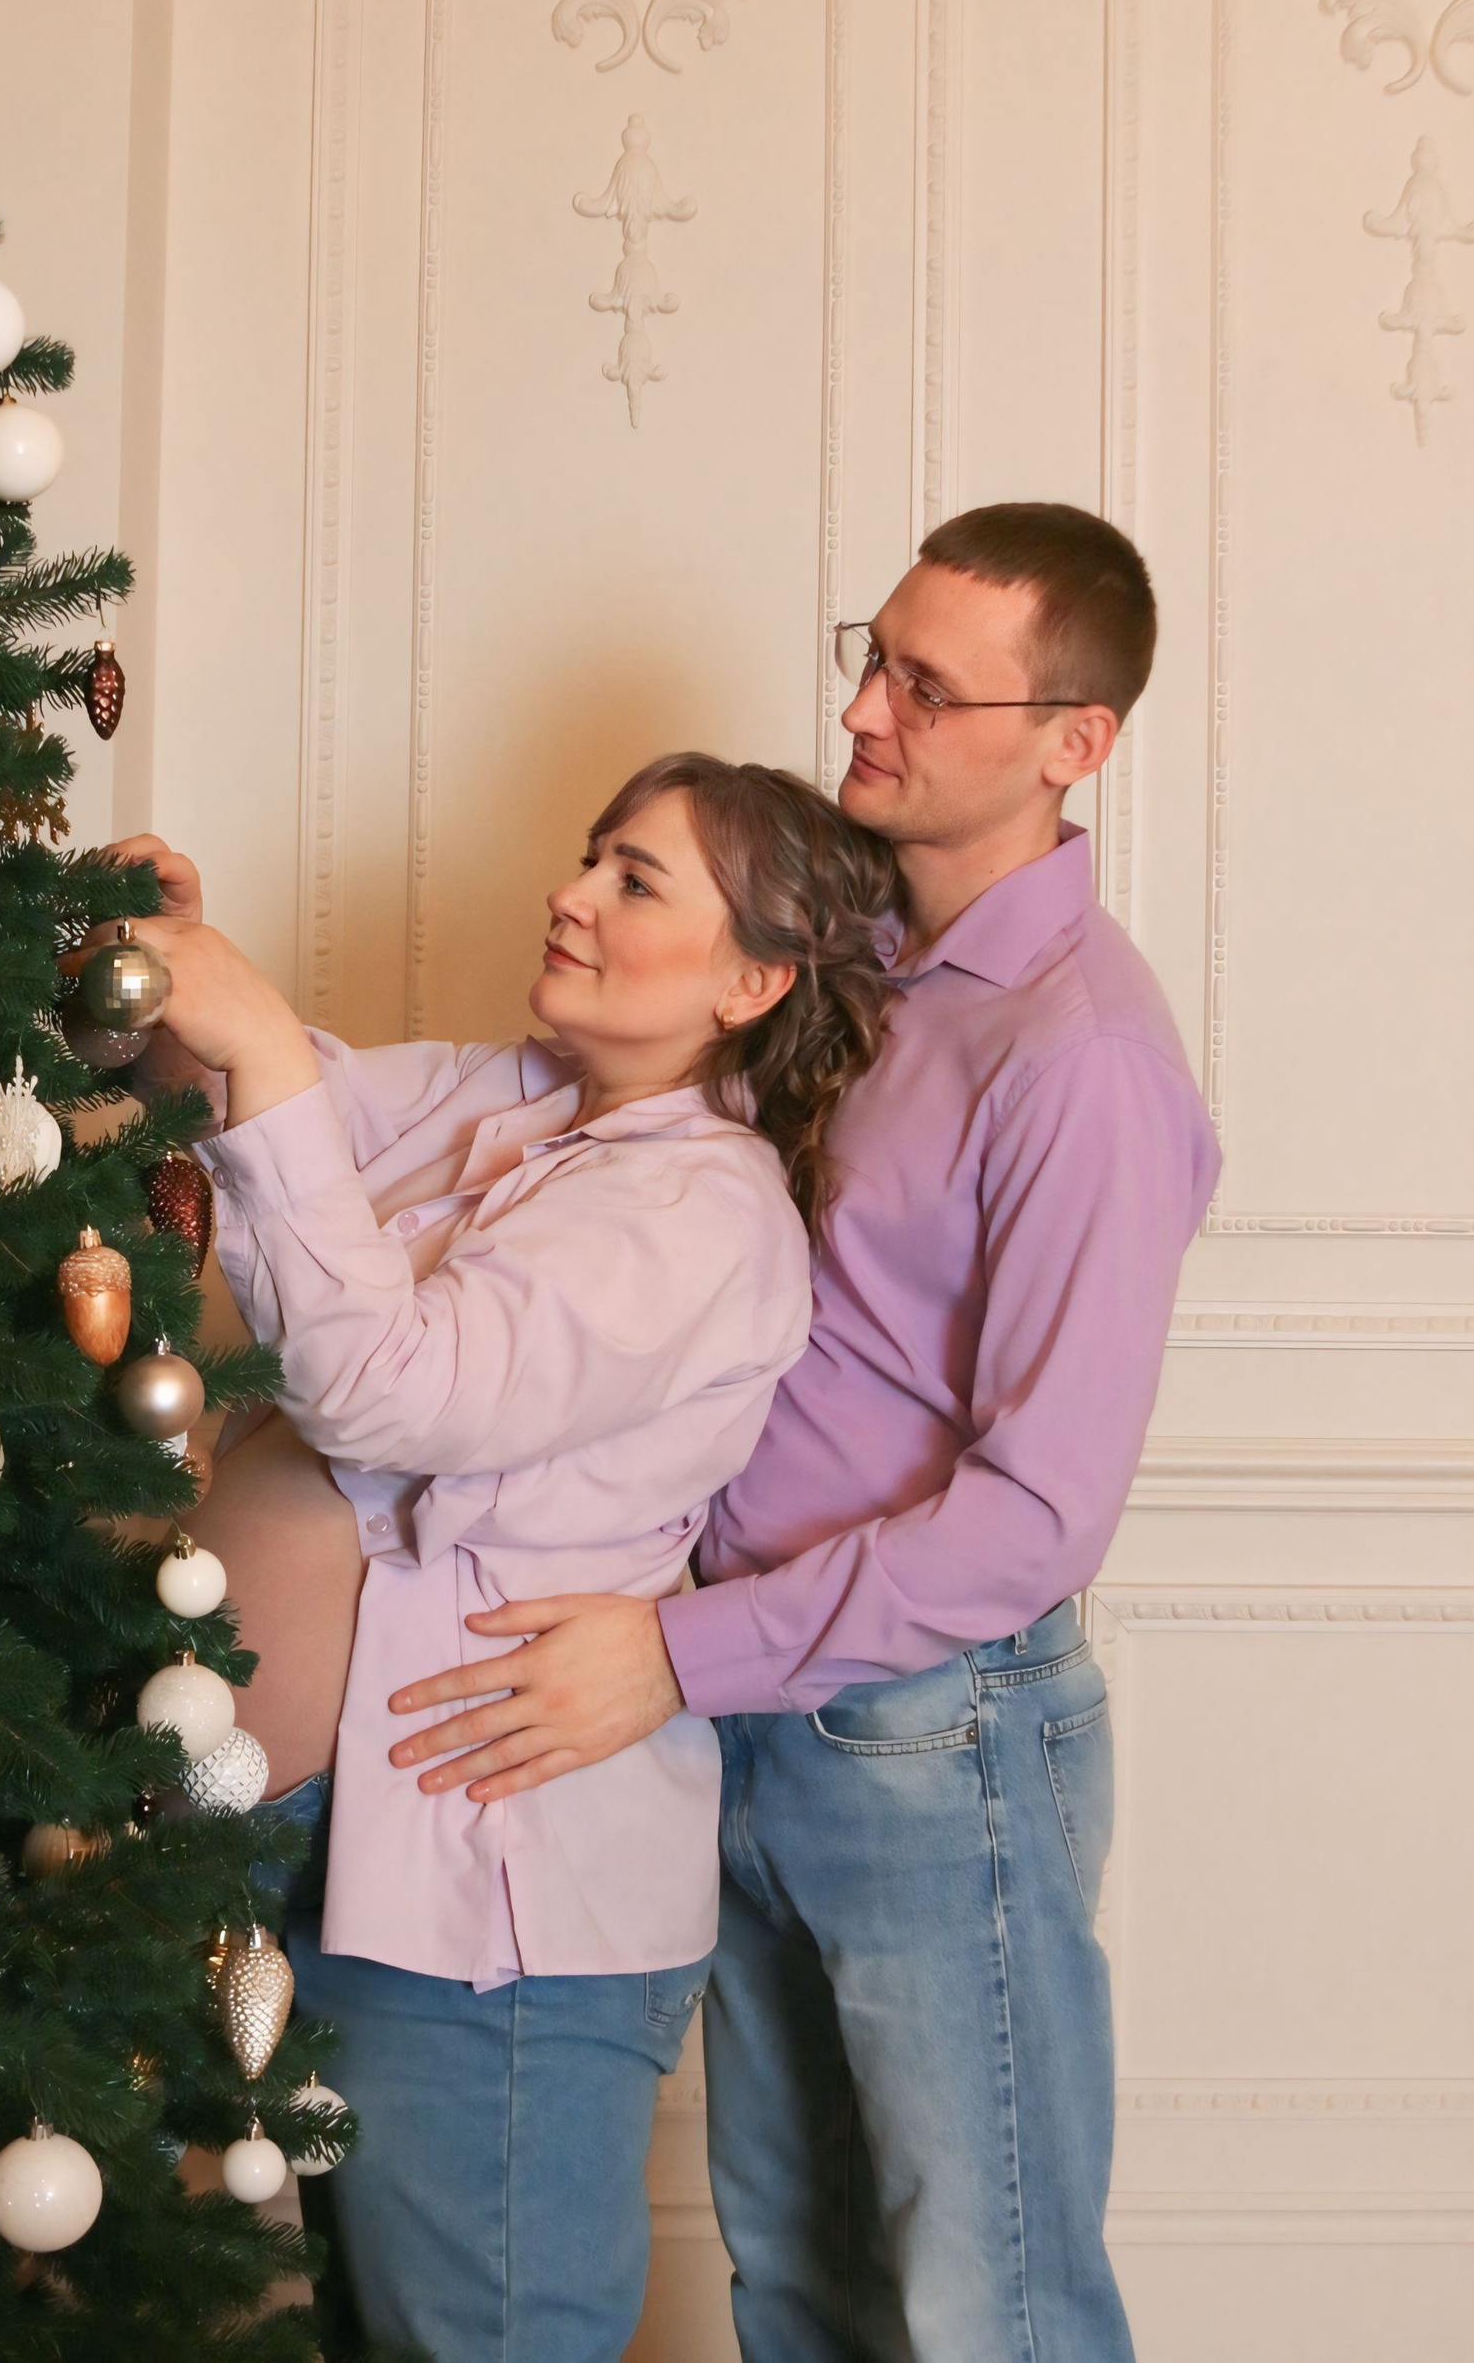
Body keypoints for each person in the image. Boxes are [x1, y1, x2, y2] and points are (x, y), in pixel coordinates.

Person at [385, 503, 1223, 2363]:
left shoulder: (1081, 1058)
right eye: (873, 655)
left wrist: (675, 1654)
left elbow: (1038, 1516)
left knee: (991, 2312)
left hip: (932, 1737)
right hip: (748, 1706)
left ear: (1076, 741)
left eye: (930, 686)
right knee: (805, 2292)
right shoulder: (840, 966)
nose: (865, 710)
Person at [99, 754, 895, 2363]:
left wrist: (259, 1041)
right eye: (591, 856)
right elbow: (282, 1121)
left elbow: (390, 1388)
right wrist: (175, 984)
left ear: (751, 982)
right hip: (316, 1852)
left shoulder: (705, 1212)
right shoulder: (511, 1100)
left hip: (484, 1902)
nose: (571, 894)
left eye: (634, 880)